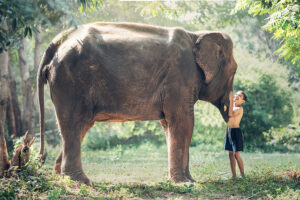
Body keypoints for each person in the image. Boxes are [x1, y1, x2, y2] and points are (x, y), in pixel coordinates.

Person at [225, 90, 247, 179]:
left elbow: (231, 114)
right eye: (236, 94)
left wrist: (229, 103)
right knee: (230, 153)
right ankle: (233, 175)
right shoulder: (230, 106)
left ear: (242, 101)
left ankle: (243, 174)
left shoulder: (239, 109)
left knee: (236, 154)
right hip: (229, 131)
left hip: (236, 132)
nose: (237, 96)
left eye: (240, 96)